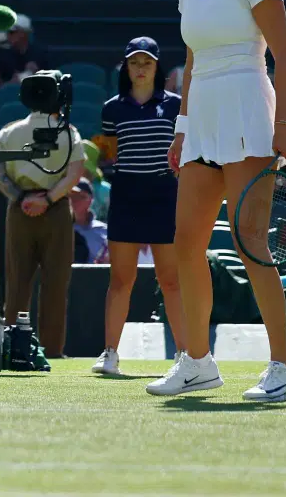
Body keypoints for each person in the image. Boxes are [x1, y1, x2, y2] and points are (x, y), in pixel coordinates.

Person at [147, 0, 286, 402]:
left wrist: (283, 124)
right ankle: (197, 361)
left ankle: (284, 366)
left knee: (249, 241)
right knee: (185, 244)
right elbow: (191, 62)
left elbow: (284, 53)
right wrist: (181, 128)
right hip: (203, 122)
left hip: (248, 113)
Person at [92, 37, 187, 376]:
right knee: (120, 279)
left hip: (165, 194)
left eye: (147, 62)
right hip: (127, 194)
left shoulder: (177, 106)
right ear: (127, 67)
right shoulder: (112, 109)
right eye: (135, 62)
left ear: (157, 66)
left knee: (171, 280)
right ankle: (110, 354)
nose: (141, 68)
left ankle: (185, 356)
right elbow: (112, 152)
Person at [0, 107, 84, 360]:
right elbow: (75, 172)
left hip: (21, 208)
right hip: (57, 210)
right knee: (55, 283)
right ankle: (52, 350)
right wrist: (50, 198)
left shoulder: (9, 131)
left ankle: (12, 348)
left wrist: (21, 196)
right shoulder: (69, 133)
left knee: (17, 282)